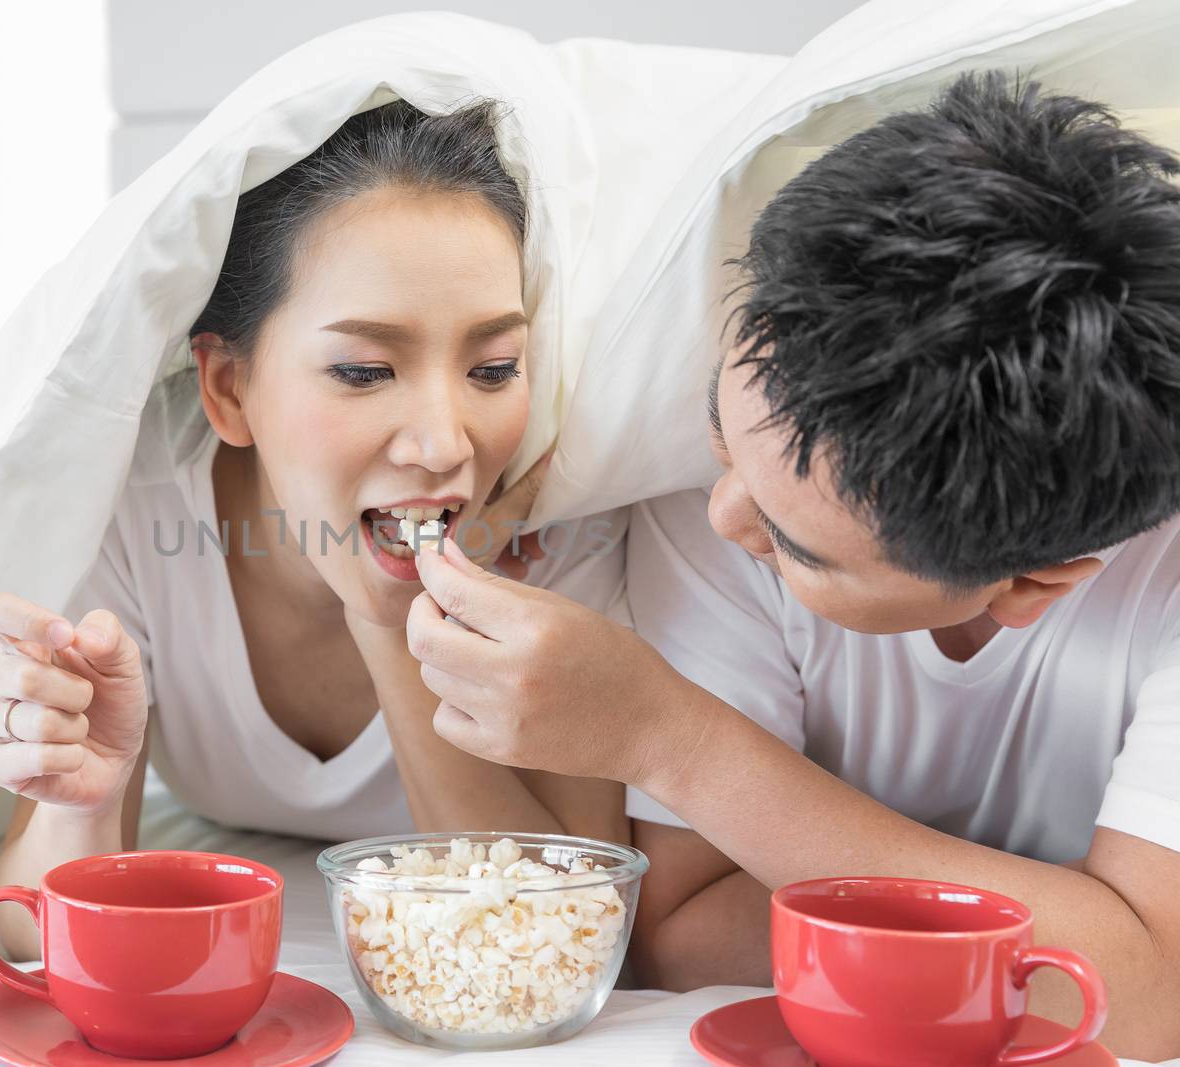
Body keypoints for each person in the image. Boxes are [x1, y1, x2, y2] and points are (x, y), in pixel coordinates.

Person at [402, 72, 1180, 1059]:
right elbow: (681, 932)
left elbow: (1148, 992)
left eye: (798, 545)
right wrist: (1072, 912)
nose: (725, 517)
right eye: (723, 440)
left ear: (1034, 581)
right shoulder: (729, 483)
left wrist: (673, 737)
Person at [0, 100, 630, 960]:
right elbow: (26, 925)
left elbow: (563, 928)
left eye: (493, 368)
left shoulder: (560, 521)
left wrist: (388, 620)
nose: (444, 443)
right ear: (231, 389)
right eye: (364, 370)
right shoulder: (138, 510)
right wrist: (82, 803)